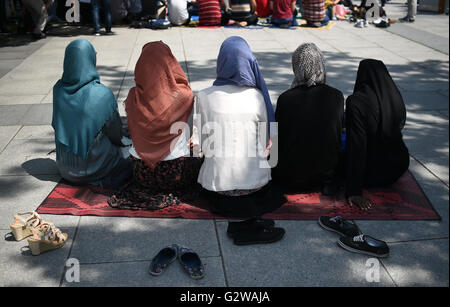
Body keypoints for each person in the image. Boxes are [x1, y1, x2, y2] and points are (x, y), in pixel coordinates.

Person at [194, 37, 286, 244]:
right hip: (255, 185)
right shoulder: (256, 96)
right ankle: (247, 225)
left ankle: (243, 225)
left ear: (221, 62)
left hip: (216, 187)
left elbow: (199, 143)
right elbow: (267, 142)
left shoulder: (203, 96)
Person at [108, 42, 202, 211]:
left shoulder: (133, 97)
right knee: (199, 151)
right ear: (170, 64)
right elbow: (190, 136)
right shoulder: (185, 96)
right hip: (176, 173)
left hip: (142, 174)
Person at [52, 39, 132, 189]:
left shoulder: (58, 90)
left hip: (64, 169)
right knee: (135, 151)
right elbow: (115, 135)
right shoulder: (102, 94)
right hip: (96, 169)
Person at [272, 43, 344, 194]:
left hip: (290, 176)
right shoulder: (336, 96)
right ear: (321, 65)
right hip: (326, 175)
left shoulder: (286, 98)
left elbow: (276, 138)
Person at [345, 59, 410, 210]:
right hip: (398, 166)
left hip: (372, 172)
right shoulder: (394, 97)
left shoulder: (356, 102)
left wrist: (354, 190)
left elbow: (358, 147)